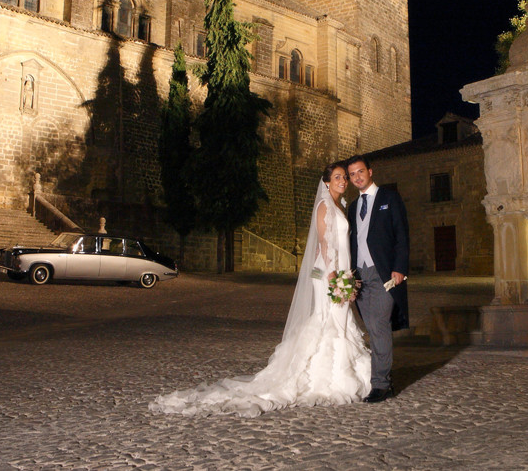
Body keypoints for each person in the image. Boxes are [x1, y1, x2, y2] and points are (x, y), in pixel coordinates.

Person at [149, 162, 370, 417]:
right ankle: (326, 377)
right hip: (329, 273)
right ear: (327, 182)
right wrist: (333, 275)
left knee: (337, 319)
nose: (343, 181)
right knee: (329, 318)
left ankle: (342, 371)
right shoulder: (324, 207)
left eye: (345, 177)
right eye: (338, 177)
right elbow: (324, 243)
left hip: (340, 270)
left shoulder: (339, 206)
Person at [347, 154, 409, 403]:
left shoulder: (389, 198)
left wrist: (399, 268)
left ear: (370, 172)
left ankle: (382, 385)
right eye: (352, 174)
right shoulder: (352, 207)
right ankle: (378, 377)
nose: (357, 177)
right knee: (371, 327)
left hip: (383, 273)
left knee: (380, 326)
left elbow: (402, 235)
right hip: (359, 275)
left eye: (360, 171)